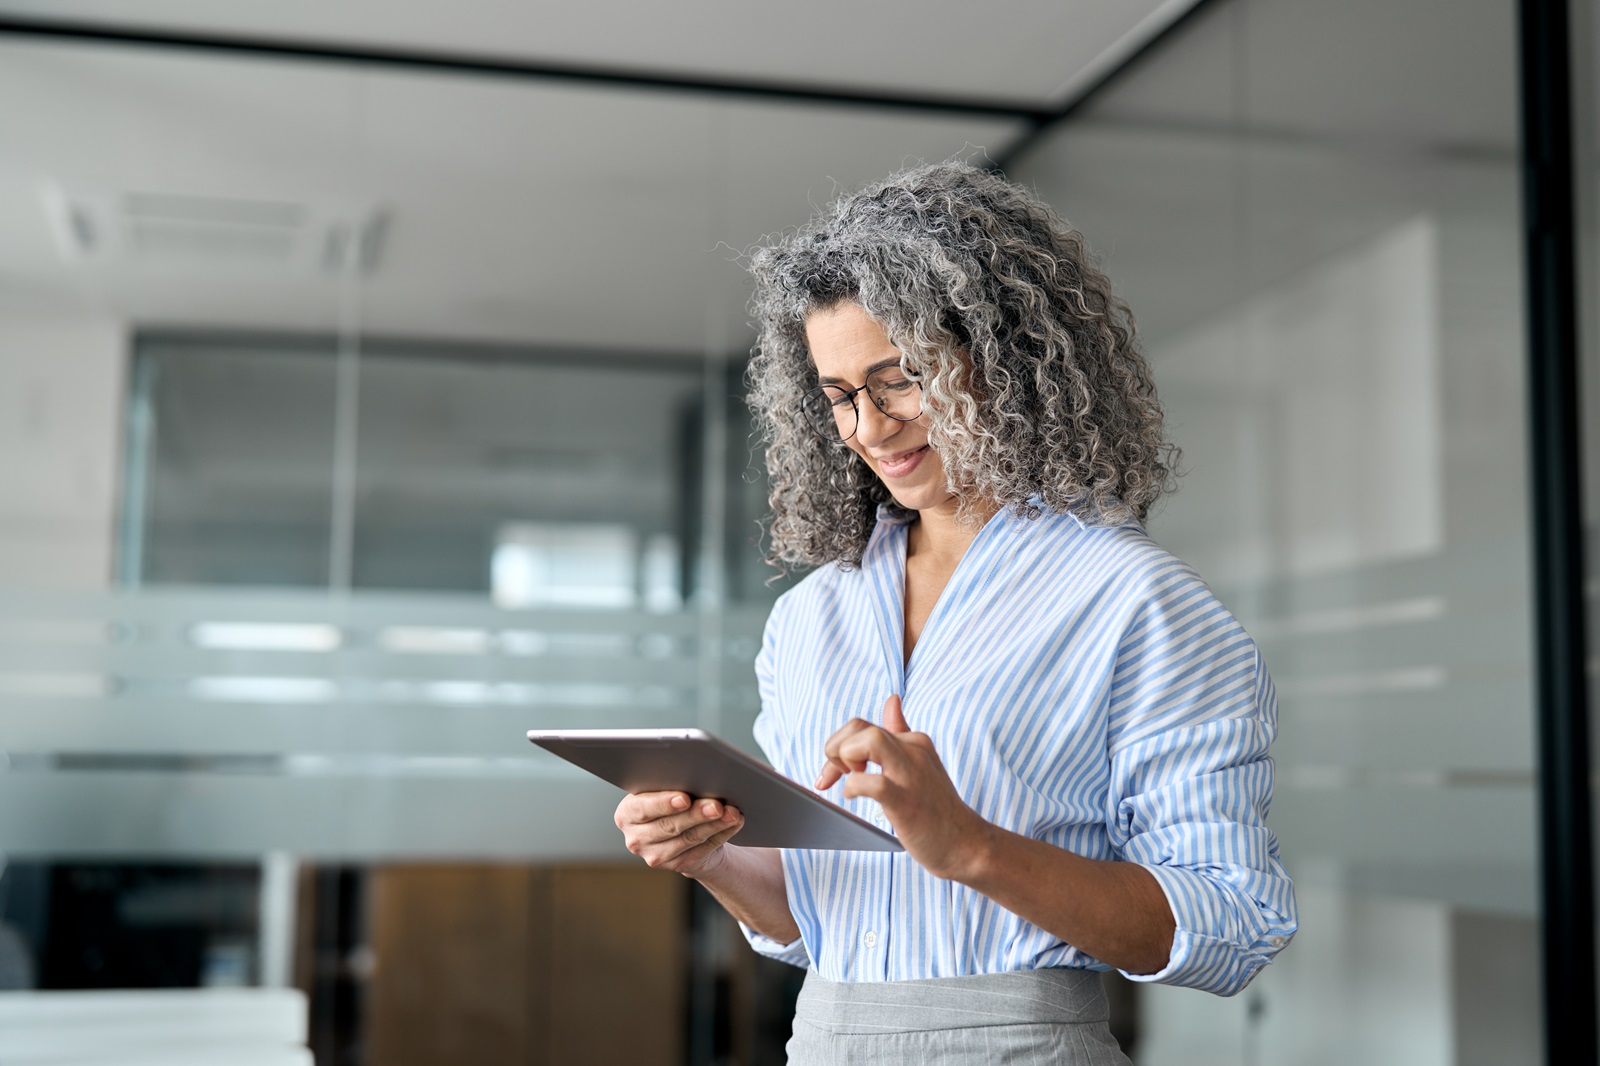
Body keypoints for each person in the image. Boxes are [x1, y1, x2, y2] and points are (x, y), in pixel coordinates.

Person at [614, 162, 1297, 1063]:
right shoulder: (814, 615)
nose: (869, 427)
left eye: (900, 378)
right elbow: (809, 918)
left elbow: (1231, 921)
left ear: (1005, 357)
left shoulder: (1137, 603)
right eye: (839, 397)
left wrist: (972, 846)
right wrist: (711, 857)